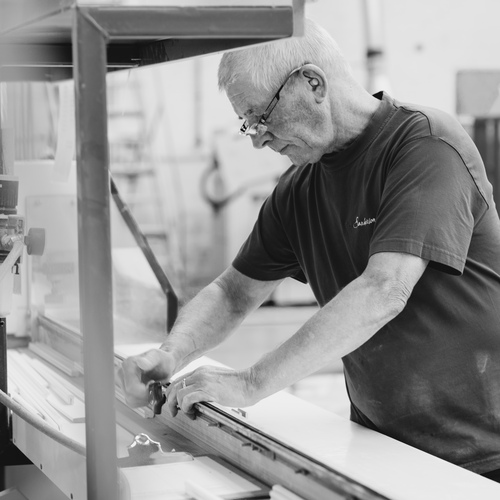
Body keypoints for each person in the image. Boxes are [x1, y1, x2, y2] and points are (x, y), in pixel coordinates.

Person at [118, 19, 500, 481]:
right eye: (248, 124)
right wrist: (172, 353)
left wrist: (250, 382)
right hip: (383, 447)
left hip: (484, 452)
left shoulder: (425, 145)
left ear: (312, 83)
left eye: (262, 117)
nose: (258, 138)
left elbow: (385, 289)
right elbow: (234, 292)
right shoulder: (299, 190)